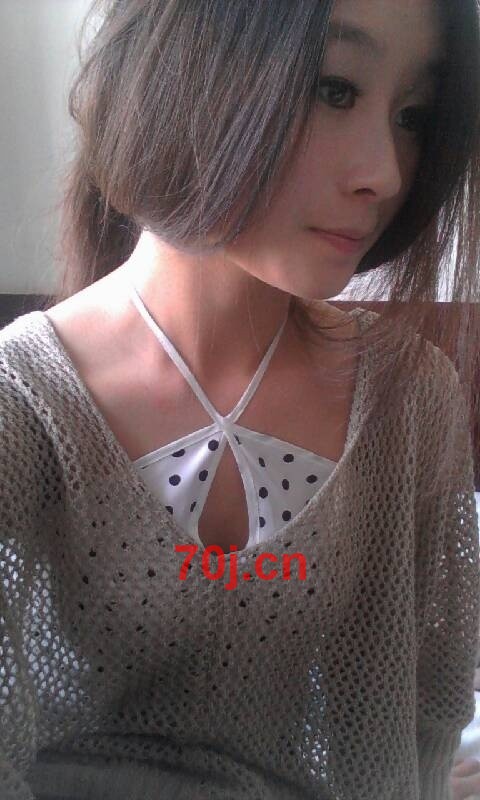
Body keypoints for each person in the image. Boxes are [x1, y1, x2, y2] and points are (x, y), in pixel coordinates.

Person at [1, 0, 480, 798]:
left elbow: (424, 702)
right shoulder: (23, 402)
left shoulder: (408, 400)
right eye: (333, 88)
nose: (386, 174)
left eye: (412, 116)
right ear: (184, 73)